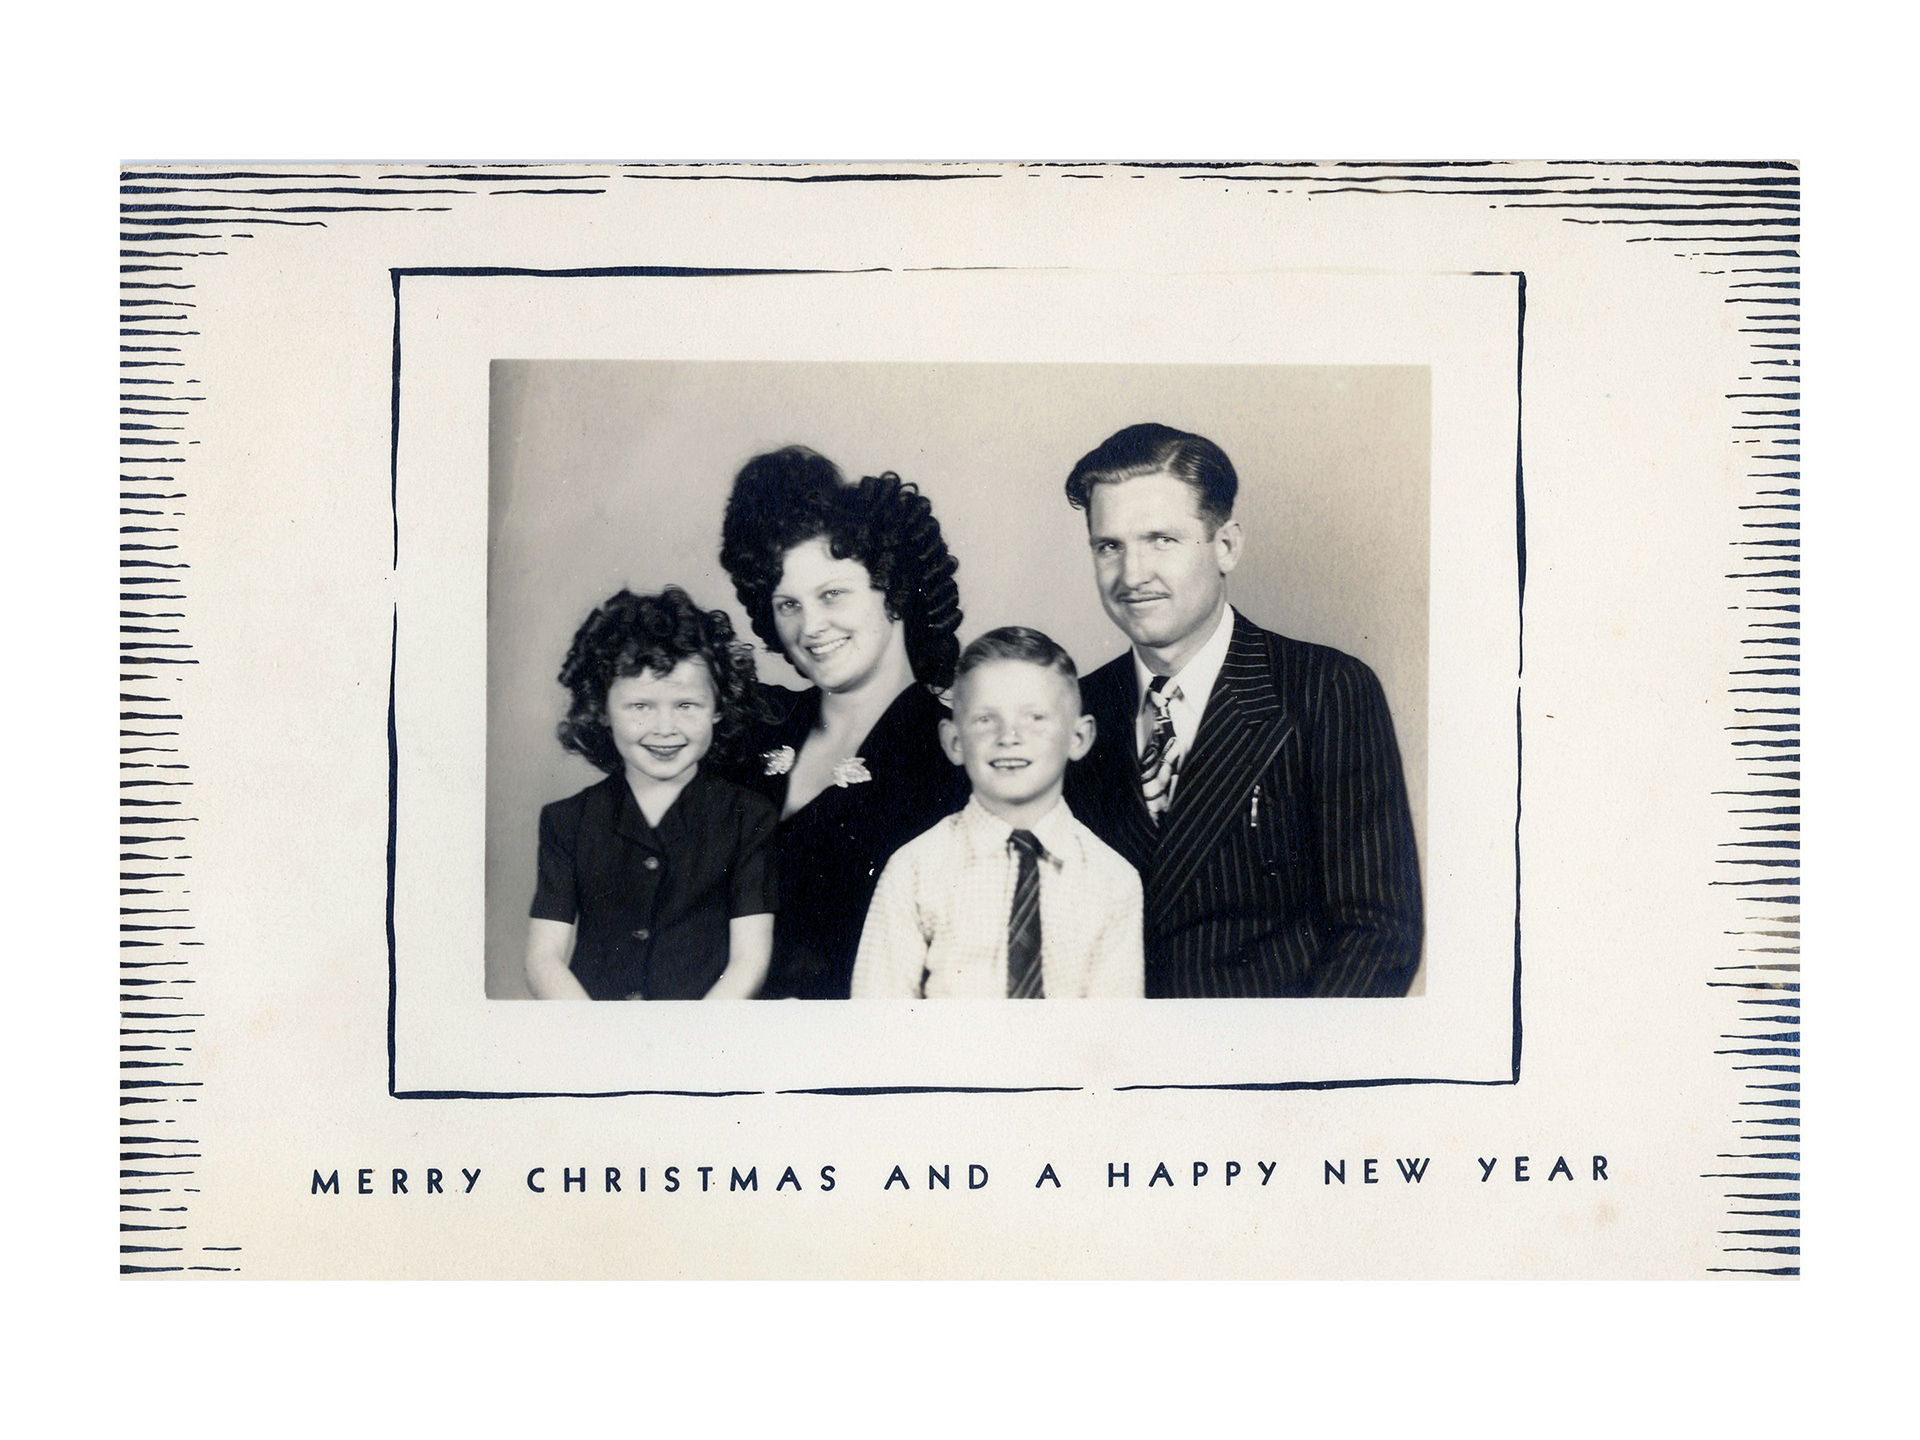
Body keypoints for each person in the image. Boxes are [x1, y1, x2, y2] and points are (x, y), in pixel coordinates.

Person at [1060, 422, 1423, 998]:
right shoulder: (1070, 711)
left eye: (1161, 540)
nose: (1131, 575)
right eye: (1110, 546)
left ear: (1226, 546)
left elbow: (1377, 936)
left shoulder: (1326, 690)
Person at [718, 446, 968, 999]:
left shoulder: (955, 753)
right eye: (788, 605)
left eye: (832, 594)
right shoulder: (750, 730)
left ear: (895, 592)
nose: (811, 627)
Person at [851, 627, 1145, 1000]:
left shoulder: (1113, 881)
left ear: (1079, 737)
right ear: (954, 741)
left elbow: (1113, 1035)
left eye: (1035, 717)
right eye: (986, 719)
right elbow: (877, 1023)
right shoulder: (915, 870)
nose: (1009, 736)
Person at [524, 587, 778, 1001]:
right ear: (602, 710)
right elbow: (542, 960)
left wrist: (691, 1042)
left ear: (718, 706)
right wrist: (597, 1038)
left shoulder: (748, 817)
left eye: (687, 706)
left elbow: (750, 960)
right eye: (641, 706)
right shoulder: (566, 821)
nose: (665, 728)